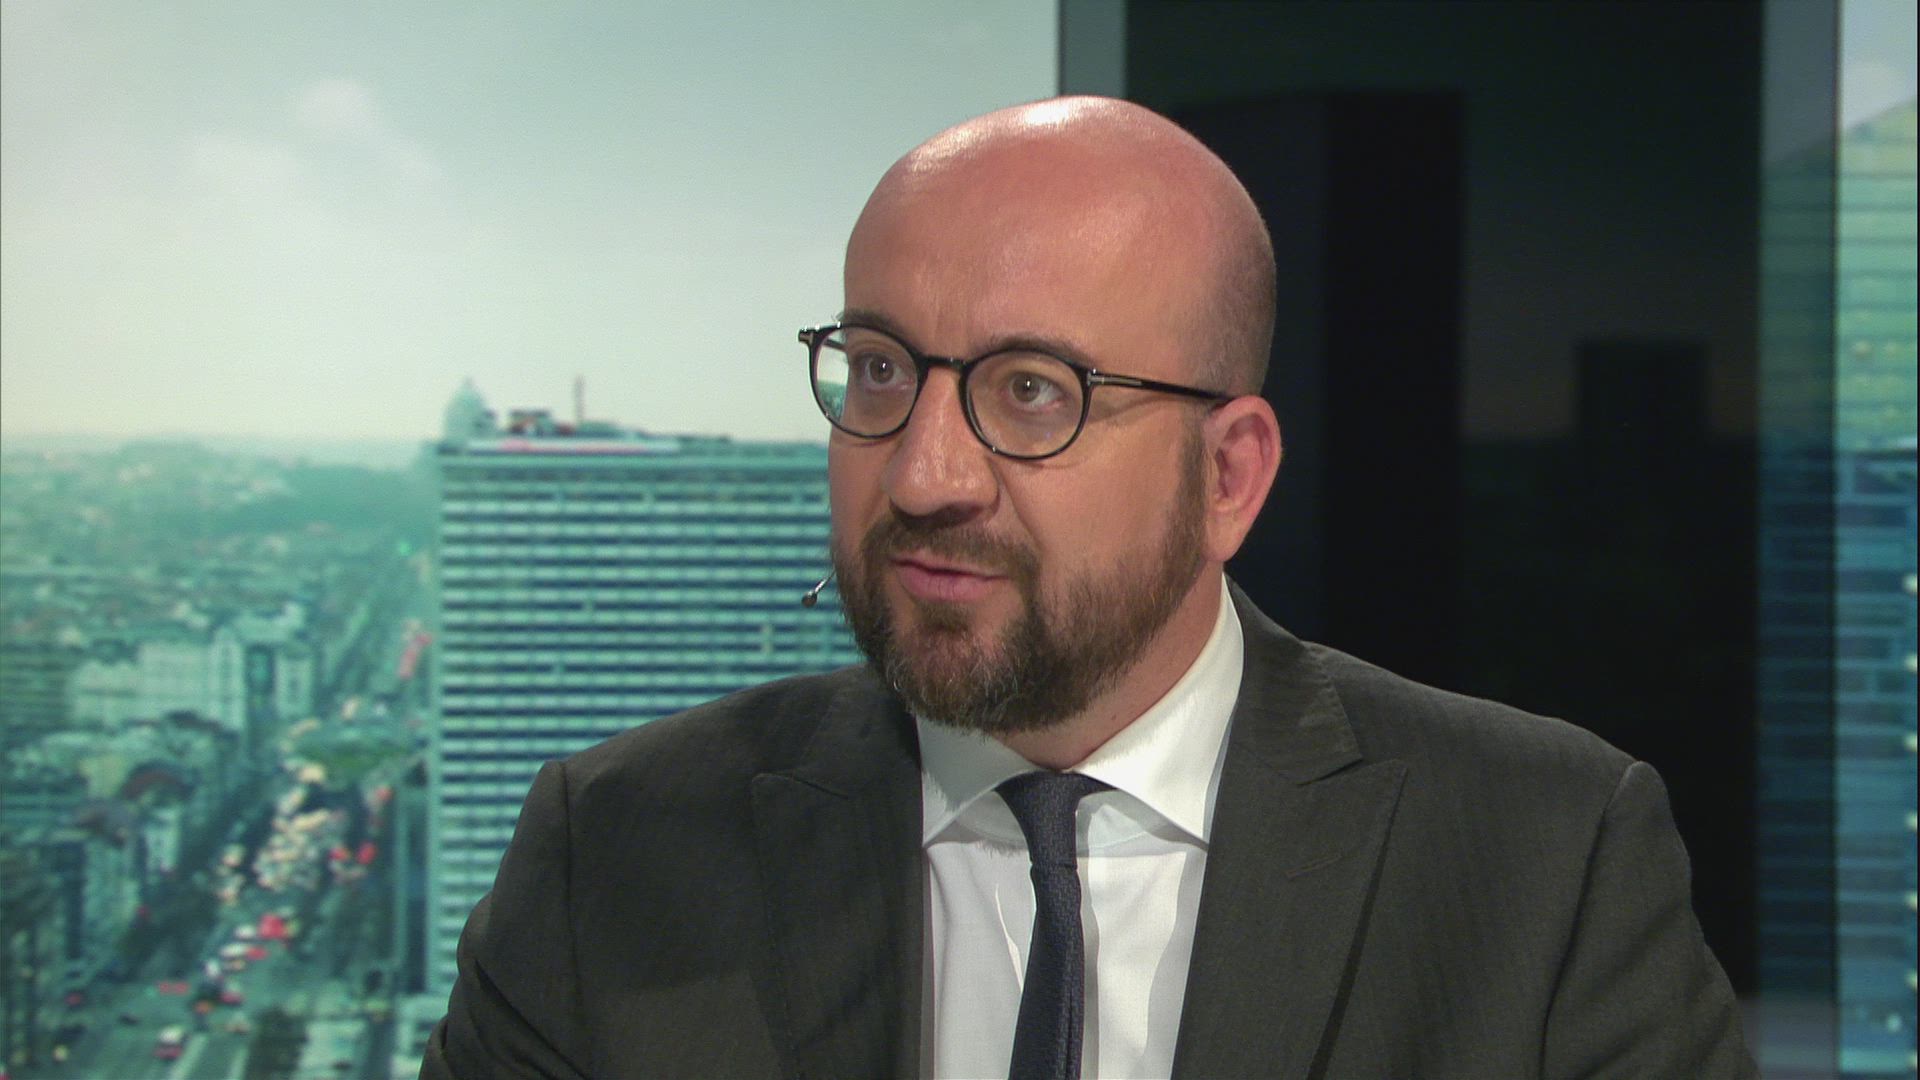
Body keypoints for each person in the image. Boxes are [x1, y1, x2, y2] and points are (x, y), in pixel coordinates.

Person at [422, 96, 1754, 1079]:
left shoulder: (1546, 858)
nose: (925, 474)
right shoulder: (617, 851)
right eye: (880, 369)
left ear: (1228, 476)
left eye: (1032, 392)